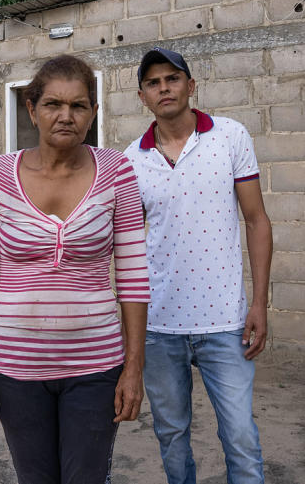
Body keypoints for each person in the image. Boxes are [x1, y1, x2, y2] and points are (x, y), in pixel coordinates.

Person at [0, 55, 151, 484]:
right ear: (31, 109)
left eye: (79, 106)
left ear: (94, 113)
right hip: (15, 370)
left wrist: (133, 367)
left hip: (97, 367)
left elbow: (135, 279)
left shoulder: (117, 171)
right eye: (52, 104)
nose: (66, 116)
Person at [124, 47, 273, 484]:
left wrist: (259, 303)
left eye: (172, 78)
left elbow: (256, 220)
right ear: (142, 96)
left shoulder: (229, 136)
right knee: (171, 435)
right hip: (159, 325)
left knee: (240, 436)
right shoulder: (133, 159)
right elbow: (130, 243)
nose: (164, 87)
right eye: (153, 82)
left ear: (191, 85)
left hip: (225, 320)